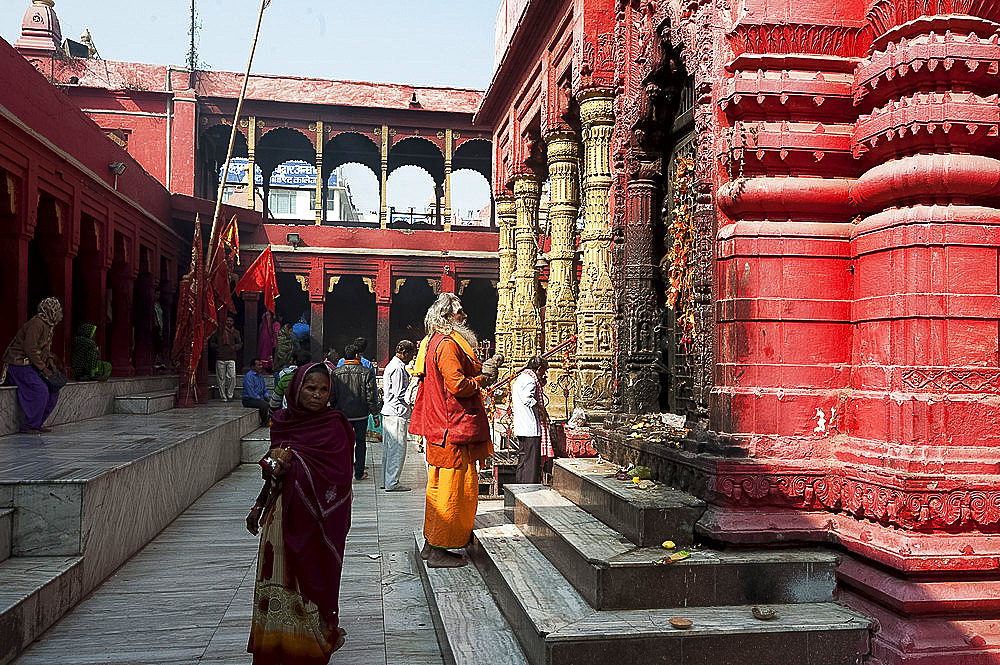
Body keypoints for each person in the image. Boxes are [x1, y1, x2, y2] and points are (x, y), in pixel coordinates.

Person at [246, 362, 353, 664]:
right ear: (296, 389)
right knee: (280, 576)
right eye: (310, 388)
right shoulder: (282, 422)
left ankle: (312, 640)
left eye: (323, 390)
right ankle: (275, 644)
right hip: (280, 517)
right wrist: (258, 504)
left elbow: (339, 478)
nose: (317, 395)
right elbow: (273, 471)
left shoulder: (334, 425)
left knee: (309, 580)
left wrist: (294, 467)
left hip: (316, 522)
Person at [410, 292, 502, 568]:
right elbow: (457, 385)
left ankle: (431, 545)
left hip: (442, 427)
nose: (464, 315)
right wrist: (482, 380)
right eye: (459, 311)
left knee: (438, 488)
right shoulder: (447, 345)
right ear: (448, 316)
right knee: (452, 491)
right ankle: (440, 551)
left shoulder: (432, 342)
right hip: (451, 427)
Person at [2, 297, 64, 434]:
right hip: (19, 364)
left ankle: (37, 423)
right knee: (40, 390)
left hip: (33, 365)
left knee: (53, 390)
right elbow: (30, 349)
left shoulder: (49, 325)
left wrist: (50, 365)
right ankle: (29, 425)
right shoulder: (37, 323)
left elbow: (44, 351)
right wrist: (43, 368)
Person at [331, 343, 381, 481]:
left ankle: (344, 471)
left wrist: (333, 412)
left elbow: (333, 396)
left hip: (342, 415)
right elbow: (370, 395)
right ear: (358, 355)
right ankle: (359, 472)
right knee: (360, 443)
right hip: (361, 414)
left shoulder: (336, 373)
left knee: (344, 443)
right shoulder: (366, 372)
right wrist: (375, 414)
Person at [381, 339, 416, 492]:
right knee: (397, 448)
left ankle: (387, 480)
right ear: (405, 353)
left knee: (389, 449)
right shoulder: (397, 368)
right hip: (396, 411)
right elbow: (399, 393)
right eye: (411, 355)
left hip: (391, 411)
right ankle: (392, 482)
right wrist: (413, 394)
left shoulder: (394, 366)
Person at [512, 356, 550, 484]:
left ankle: (521, 483)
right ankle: (529, 485)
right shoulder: (530, 381)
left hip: (522, 425)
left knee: (524, 458)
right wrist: (540, 407)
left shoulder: (522, 378)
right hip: (529, 427)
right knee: (531, 461)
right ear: (539, 369)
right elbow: (527, 398)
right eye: (543, 371)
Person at [210, 315, 242, 401]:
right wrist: (218, 348)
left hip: (231, 357)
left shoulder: (236, 332)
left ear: (233, 322)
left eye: (231, 321)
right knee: (221, 378)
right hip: (220, 357)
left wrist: (234, 347)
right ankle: (223, 396)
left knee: (232, 377)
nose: (229, 322)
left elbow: (240, 343)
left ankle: (230, 394)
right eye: (227, 320)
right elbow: (212, 342)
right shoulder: (218, 331)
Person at [242, 358, 271, 427]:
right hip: (249, 399)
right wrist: (261, 399)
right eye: (258, 365)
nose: (261, 366)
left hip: (259, 397)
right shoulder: (248, 376)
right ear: (252, 367)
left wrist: (267, 396)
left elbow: (264, 389)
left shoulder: (260, 376)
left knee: (273, 403)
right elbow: (251, 393)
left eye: (261, 365)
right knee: (264, 405)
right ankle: (264, 422)